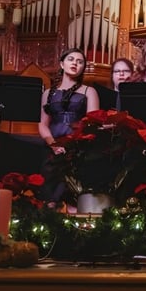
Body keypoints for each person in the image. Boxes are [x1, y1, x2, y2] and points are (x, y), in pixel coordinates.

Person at [38, 47, 99, 202]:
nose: (75, 63)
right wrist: (53, 144)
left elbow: (92, 122)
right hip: (52, 146)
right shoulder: (48, 93)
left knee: (73, 194)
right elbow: (42, 124)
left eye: (80, 62)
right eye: (71, 59)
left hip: (77, 148)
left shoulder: (89, 91)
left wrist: (76, 143)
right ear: (62, 64)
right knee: (49, 194)